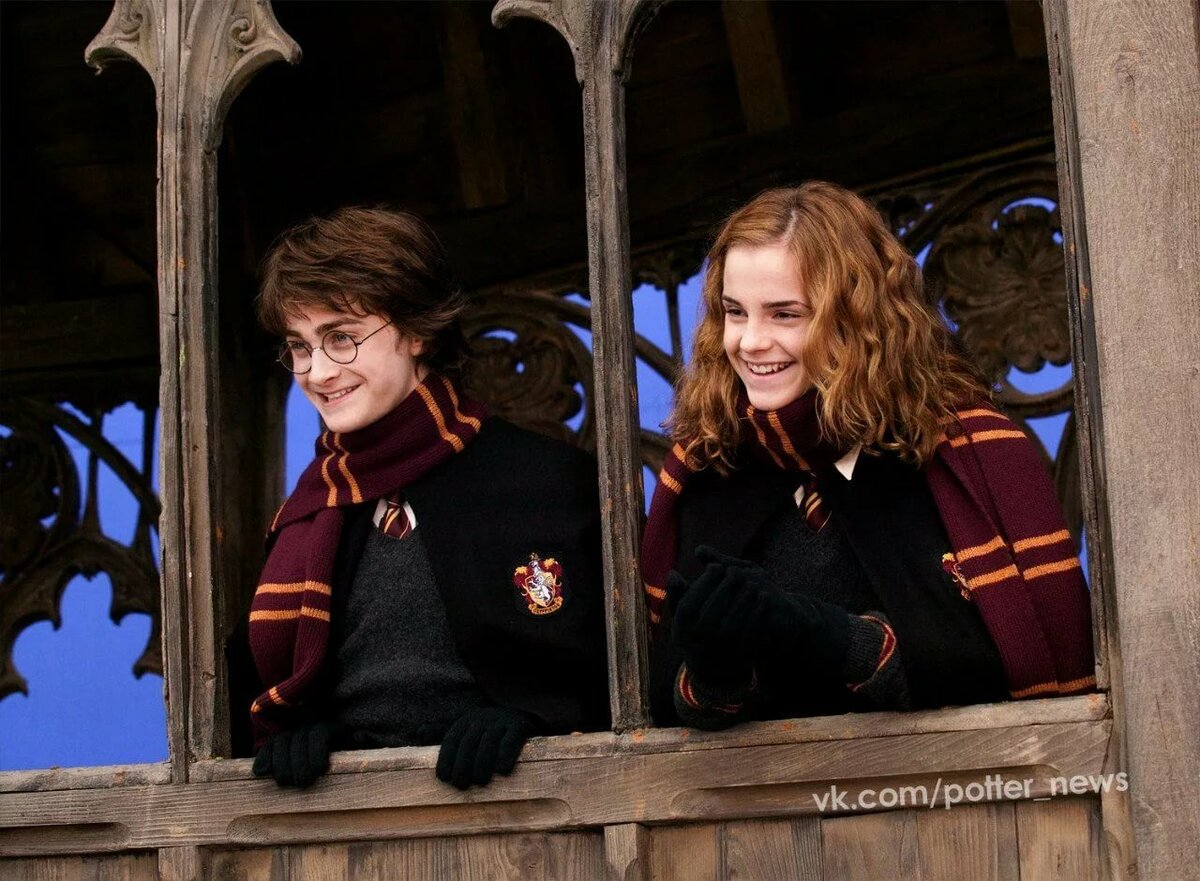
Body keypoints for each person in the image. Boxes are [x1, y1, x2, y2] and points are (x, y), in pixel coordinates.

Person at [642, 182, 1094, 730]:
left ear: (856, 319)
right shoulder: (706, 467)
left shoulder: (968, 456)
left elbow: (1024, 668)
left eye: (785, 315)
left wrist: (833, 638)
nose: (750, 341)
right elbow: (663, 707)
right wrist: (717, 672)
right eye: (735, 312)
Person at [239, 206, 608, 788]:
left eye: (341, 338)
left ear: (416, 332)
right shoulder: (312, 508)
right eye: (299, 347)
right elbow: (257, 692)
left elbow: (617, 673)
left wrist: (537, 718)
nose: (317, 372)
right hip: (346, 816)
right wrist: (314, 728)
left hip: (530, 809)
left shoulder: (548, 482)